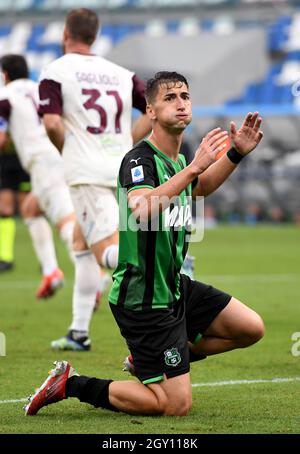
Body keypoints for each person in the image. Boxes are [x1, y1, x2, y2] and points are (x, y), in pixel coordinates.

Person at [25, 71, 264, 417]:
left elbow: (199, 187)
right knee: (175, 406)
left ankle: (153, 358)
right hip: (143, 297)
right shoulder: (139, 160)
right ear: (150, 111)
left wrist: (235, 155)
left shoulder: (179, 162)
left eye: (184, 96)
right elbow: (142, 207)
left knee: (250, 328)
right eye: (169, 98)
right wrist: (194, 167)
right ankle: (69, 383)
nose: (180, 103)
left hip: (174, 287)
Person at [38, 8, 151, 351]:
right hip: (118, 167)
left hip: (85, 172)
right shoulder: (121, 73)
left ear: (65, 34)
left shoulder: (55, 71)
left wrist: (67, 152)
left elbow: (53, 124)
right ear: (95, 36)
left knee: (106, 253)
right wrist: (128, 142)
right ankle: (79, 332)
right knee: (80, 244)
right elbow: (153, 110)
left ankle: (164, 260)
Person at [0, 54, 76, 298]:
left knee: (65, 218)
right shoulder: (41, 89)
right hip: (61, 152)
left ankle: (95, 273)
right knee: (31, 209)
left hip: (42, 161)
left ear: (5, 75)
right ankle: (51, 271)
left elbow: (1, 138)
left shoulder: (5, 97)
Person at [0, 137, 31, 272]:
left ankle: (47, 259)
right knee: (5, 209)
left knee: (29, 209)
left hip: (25, 157)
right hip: (6, 160)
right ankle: (5, 258)